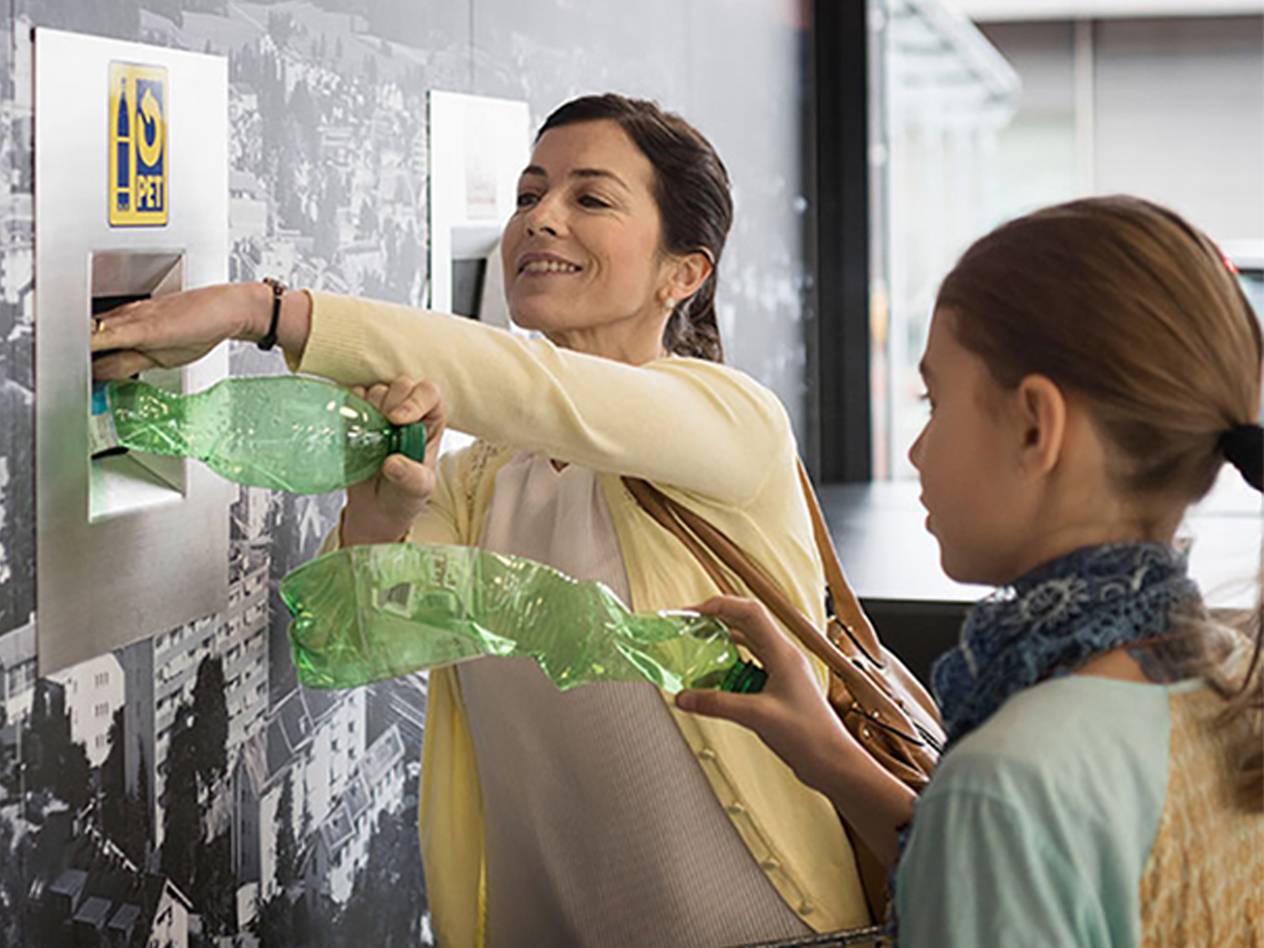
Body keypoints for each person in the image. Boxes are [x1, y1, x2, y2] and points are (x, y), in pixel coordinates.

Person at [92, 94, 878, 945]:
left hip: (771, 928)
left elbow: (533, 389)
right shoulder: (482, 480)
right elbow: (343, 638)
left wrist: (264, 312)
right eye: (528, 194)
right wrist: (383, 506)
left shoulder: (733, 422)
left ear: (683, 273)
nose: (542, 219)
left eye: (590, 198)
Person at [675, 195, 1264, 945]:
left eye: (935, 399)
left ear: (1033, 426)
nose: (917, 451)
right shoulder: (1233, 679)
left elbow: (1001, 839)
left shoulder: (1010, 782)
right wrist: (827, 753)